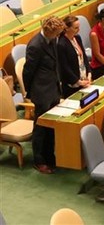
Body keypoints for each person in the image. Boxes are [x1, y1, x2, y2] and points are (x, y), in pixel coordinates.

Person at [23, 16, 65, 174]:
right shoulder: (35, 45)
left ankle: (50, 156)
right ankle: (39, 160)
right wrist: (29, 92)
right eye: (56, 33)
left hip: (53, 89)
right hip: (41, 91)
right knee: (41, 128)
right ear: (49, 31)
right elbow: (28, 72)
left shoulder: (52, 39)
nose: (58, 36)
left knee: (51, 126)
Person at [57, 15, 91, 98]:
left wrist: (89, 73)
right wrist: (78, 82)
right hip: (71, 85)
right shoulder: (61, 44)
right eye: (76, 28)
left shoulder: (77, 38)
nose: (78, 30)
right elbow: (64, 67)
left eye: (79, 27)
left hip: (84, 79)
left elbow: (84, 56)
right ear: (67, 28)